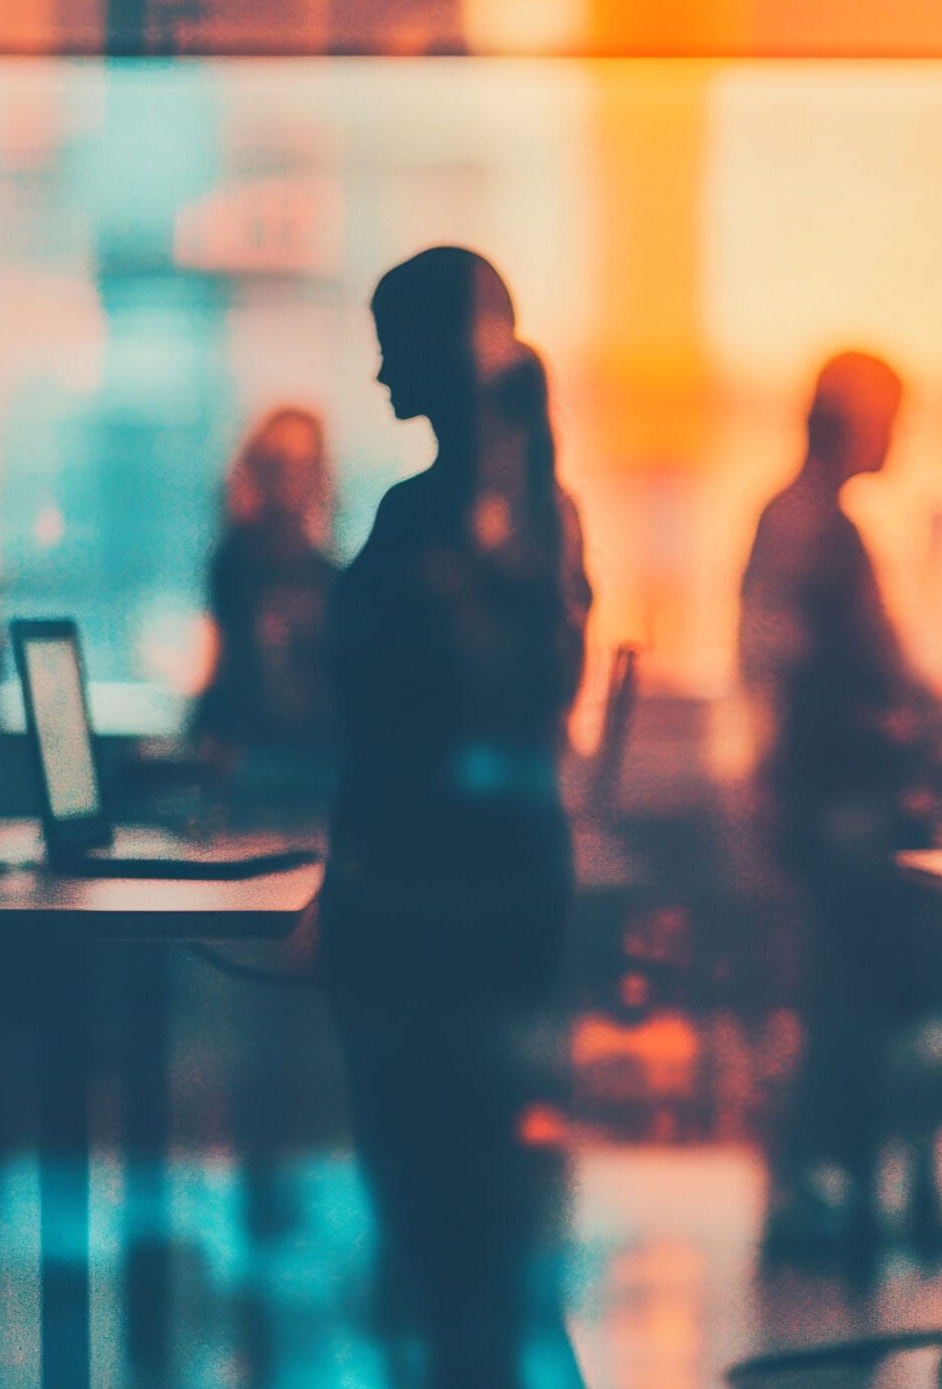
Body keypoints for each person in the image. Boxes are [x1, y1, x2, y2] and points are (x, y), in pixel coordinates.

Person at [320, 247, 591, 1388]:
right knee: (481, 1214)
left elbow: (375, 717)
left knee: (437, 1200)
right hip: (497, 895)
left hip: (425, 905)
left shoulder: (439, 529)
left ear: (445, 357)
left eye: (395, 345)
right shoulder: (537, 521)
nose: (381, 371)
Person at [737, 351, 942, 1261]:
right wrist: (900, 725)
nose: (898, 435)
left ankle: (828, 1187)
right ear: (850, 421)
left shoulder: (810, 524)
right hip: (835, 807)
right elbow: (786, 676)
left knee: (835, 998)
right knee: (838, 1002)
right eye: (890, 415)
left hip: (823, 803)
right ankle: (821, 1187)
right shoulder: (811, 530)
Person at [194, 405, 341, 807]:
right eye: (280, 463)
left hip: (313, 763)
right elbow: (224, 669)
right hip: (247, 763)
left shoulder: (332, 579)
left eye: (303, 464)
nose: (292, 476)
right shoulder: (234, 567)